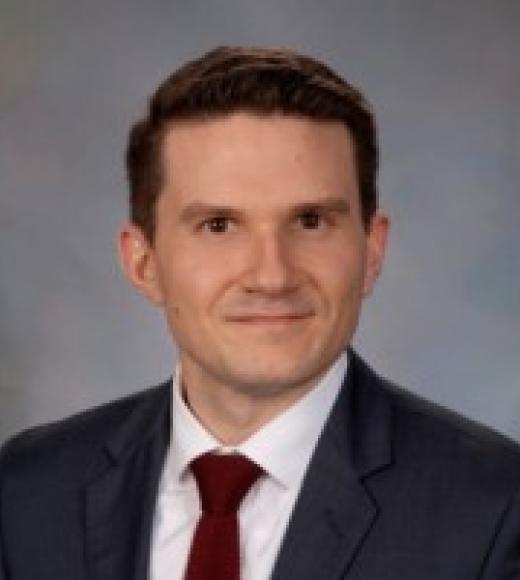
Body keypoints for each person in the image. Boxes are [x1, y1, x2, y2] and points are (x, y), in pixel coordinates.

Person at [1, 46, 519, 580]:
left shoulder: (497, 510)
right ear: (143, 262)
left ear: (372, 251)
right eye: (219, 226)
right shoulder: (24, 493)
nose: (272, 276)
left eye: (311, 221)